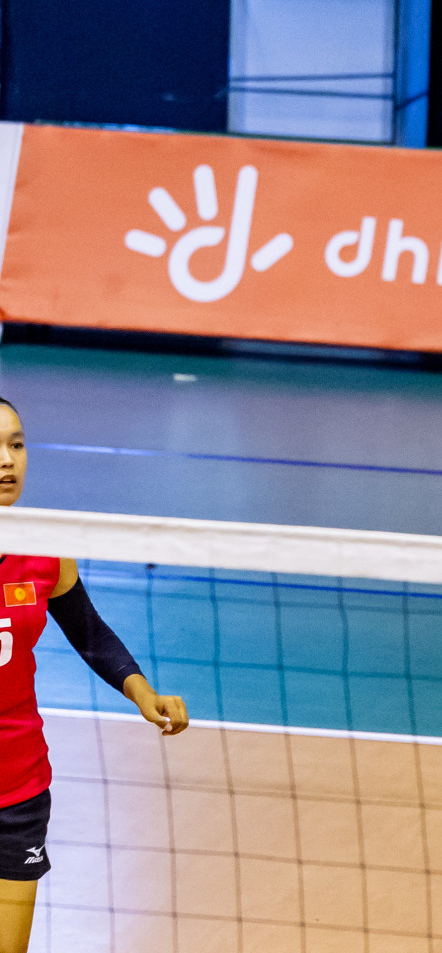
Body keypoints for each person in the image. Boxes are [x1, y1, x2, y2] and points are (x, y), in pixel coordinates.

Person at [0, 398, 188, 953]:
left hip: (17, 788)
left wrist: (142, 691)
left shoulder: (42, 550)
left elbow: (87, 631)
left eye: (16, 443)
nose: (7, 460)